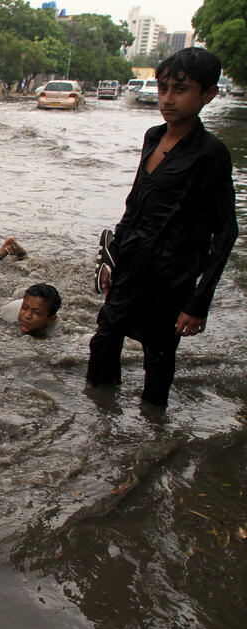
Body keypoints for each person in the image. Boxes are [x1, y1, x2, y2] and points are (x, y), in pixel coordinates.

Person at [87, 48, 238, 407]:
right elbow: (135, 204)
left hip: (172, 277)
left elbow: (226, 231)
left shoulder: (210, 154)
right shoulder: (153, 137)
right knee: (104, 341)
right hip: (130, 267)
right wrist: (110, 258)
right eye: (163, 88)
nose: (167, 99)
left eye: (180, 89)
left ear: (208, 94)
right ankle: (100, 419)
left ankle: (153, 431)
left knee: (157, 357)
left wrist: (199, 301)